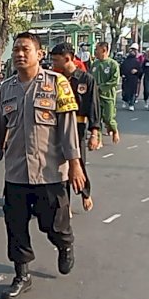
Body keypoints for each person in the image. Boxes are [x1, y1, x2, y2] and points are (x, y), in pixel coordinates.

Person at [0, 32, 88, 299]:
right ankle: (21, 274)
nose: (19, 54)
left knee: (54, 225)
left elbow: (68, 129)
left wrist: (76, 165)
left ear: (39, 54)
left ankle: (64, 245)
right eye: (16, 49)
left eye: (25, 49)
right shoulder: (6, 88)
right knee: (15, 226)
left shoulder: (58, 84)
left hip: (50, 172)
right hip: (17, 172)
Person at [51, 43, 99, 211]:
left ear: (68, 59)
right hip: (57, 126)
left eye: (56, 61)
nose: (53, 65)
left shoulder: (86, 79)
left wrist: (95, 133)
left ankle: (85, 193)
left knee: (78, 162)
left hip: (78, 126)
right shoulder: (55, 79)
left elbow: (93, 107)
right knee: (60, 166)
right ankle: (66, 204)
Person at [91, 42, 121, 144]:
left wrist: (101, 87)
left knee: (108, 118)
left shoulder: (113, 64)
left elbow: (115, 80)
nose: (95, 52)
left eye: (97, 49)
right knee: (96, 119)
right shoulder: (94, 64)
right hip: (96, 97)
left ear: (104, 50)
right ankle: (98, 140)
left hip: (108, 96)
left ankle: (114, 130)